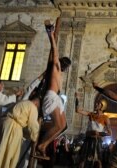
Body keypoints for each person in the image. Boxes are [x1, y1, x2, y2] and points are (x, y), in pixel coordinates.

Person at [36, 20, 71, 159]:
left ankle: (44, 145)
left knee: (63, 125)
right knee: (57, 125)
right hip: (51, 96)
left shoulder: (60, 73)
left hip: (57, 98)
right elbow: (55, 52)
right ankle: (41, 145)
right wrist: (51, 34)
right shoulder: (55, 67)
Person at [0, 95, 40, 168]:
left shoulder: (21, 102)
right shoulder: (32, 107)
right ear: (37, 103)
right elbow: (33, 124)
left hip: (4, 124)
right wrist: (35, 137)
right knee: (9, 153)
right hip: (13, 128)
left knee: (0, 150)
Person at [75, 92, 112, 168]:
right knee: (83, 159)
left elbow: (109, 133)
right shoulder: (91, 114)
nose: (96, 105)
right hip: (88, 139)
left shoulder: (105, 118)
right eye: (96, 103)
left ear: (102, 106)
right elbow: (78, 110)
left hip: (97, 141)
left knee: (98, 161)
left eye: (98, 104)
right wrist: (77, 99)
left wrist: (99, 133)